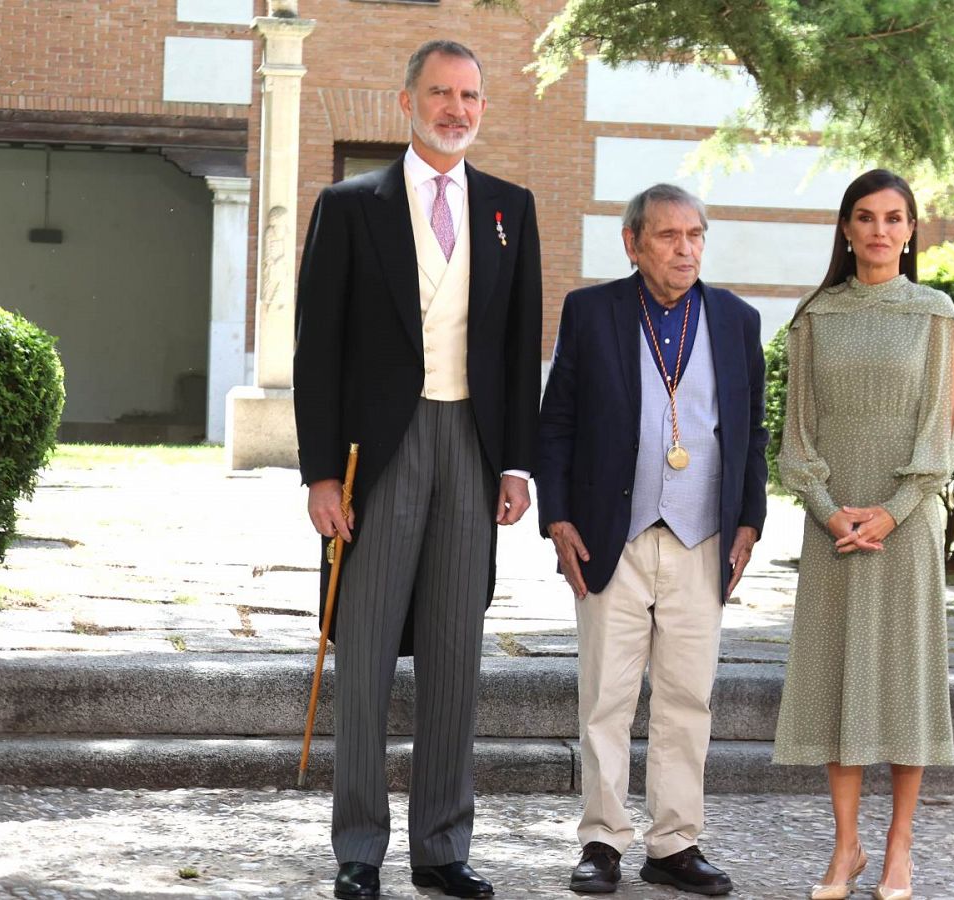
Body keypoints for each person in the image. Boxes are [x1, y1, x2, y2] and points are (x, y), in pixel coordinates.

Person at [292, 39, 542, 900]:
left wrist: (516, 464)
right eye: (440, 92)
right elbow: (317, 349)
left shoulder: (511, 209)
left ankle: (443, 848)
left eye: (470, 95)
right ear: (407, 102)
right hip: (379, 455)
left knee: (453, 654)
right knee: (362, 656)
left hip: (471, 451)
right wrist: (321, 475)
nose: (457, 109)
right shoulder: (350, 204)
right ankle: (359, 847)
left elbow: (515, 350)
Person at [536, 183, 769, 896]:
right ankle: (603, 840)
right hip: (615, 534)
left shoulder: (735, 319)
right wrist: (558, 517)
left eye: (695, 234)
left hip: (703, 536)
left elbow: (752, 431)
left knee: (686, 697)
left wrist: (750, 522)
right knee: (606, 694)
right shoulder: (591, 311)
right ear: (633, 244)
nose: (685, 248)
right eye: (668, 236)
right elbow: (558, 425)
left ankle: (673, 844)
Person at [771, 169, 954, 900]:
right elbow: (798, 434)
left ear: (911, 230)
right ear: (845, 230)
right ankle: (844, 846)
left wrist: (892, 510)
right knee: (836, 678)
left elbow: (940, 433)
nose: (880, 230)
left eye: (894, 218)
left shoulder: (935, 313)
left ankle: (898, 846)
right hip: (834, 528)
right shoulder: (816, 315)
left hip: (904, 530)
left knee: (904, 682)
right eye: (865, 217)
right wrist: (829, 510)